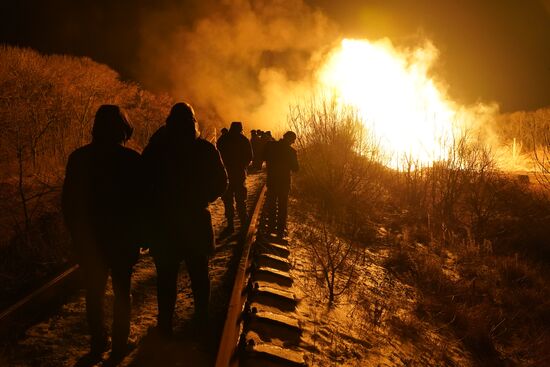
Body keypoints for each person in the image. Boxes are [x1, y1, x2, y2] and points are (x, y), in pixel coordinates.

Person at [62, 105, 141, 361]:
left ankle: (98, 341)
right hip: (122, 239)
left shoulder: (78, 158)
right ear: (123, 129)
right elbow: (143, 202)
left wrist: (76, 234)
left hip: (91, 239)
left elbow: (69, 202)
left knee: (94, 293)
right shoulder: (131, 160)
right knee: (122, 292)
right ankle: (119, 344)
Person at [142, 102, 227, 337]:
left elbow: (142, 186)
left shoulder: (155, 149)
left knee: (166, 278)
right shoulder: (205, 149)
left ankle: (165, 325)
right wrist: (204, 198)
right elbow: (222, 182)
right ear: (193, 123)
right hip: (195, 221)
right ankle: (201, 320)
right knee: (199, 275)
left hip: (163, 224)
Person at [216, 121, 253, 234]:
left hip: (225, 174)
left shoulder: (222, 139)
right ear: (241, 128)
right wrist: (243, 166)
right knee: (241, 199)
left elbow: (217, 156)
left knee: (227, 200)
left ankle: (230, 225)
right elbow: (250, 157)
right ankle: (243, 224)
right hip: (239, 174)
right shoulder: (244, 140)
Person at [263, 131, 299, 237]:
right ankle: (280, 230)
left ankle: (270, 227)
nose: (293, 142)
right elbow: (295, 168)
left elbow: (263, 157)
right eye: (293, 140)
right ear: (290, 139)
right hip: (284, 182)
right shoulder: (291, 151)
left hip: (272, 180)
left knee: (272, 204)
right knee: (282, 206)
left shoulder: (271, 146)